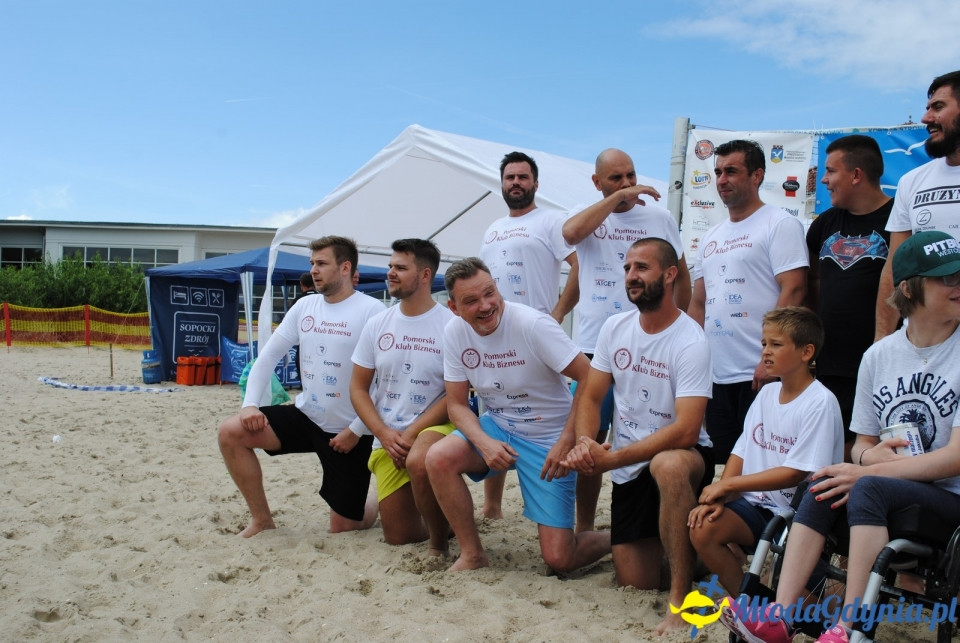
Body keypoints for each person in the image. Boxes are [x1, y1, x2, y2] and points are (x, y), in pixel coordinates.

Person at [733, 230, 960, 643]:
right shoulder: (880, 355)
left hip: (949, 496)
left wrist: (879, 472)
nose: (957, 283)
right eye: (945, 277)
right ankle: (780, 619)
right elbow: (862, 446)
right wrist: (872, 462)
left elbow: (956, 458)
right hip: (895, 487)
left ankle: (851, 628)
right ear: (909, 287)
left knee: (868, 488)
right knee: (823, 481)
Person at [562, 237, 713, 634]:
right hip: (629, 463)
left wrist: (611, 459)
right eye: (628, 268)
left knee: (669, 464)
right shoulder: (615, 327)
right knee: (635, 580)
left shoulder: (690, 339)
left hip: (681, 454)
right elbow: (590, 396)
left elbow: (686, 429)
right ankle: (700, 552)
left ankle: (680, 599)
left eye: (642, 268)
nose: (631, 276)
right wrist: (585, 443)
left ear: (669, 274)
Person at [424, 258, 610, 573]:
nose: (485, 306)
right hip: (499, 426)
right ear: (454, 308)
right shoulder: (454, 332)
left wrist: (567, 440)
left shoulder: (532, 324)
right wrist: (483, 442)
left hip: (549, 436)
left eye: (489, 293)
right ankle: (472, 554)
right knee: (437, 458)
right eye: (471, 301)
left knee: (559, 559)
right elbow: (456, 404)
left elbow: (590, 378)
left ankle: (624, 538)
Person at [217, 236, 385, 537]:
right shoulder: (305, 306)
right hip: (307, 416)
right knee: (231, 432)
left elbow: (383, 384)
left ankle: (375, 501)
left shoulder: (373, 312)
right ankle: (261, 520)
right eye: (312, 263)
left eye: (321, 263)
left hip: (349, 432)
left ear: (345, 268)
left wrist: (357, 430)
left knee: (345, 528)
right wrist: (250, 405)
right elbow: (266, 357)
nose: (313, 270)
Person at [561, 148, 692, 532]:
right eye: (616, 179)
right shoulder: (585, 215)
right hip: (593, 341)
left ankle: (655, 523)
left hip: (649, 340)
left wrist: (678, 324)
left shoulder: (658, 216)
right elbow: (570, 234)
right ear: (597, 182)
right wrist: (617, 200)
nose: (627, 185)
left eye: (631, 176)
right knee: (589, 439)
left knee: (652, 429)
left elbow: (681, 273)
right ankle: (585, 526)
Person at [688, 306, 844, 596]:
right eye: (763, 344)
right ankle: (750, 604)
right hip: (755, 505)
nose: (765, 353)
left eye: (776, 345)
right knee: (702, 525)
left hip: (799, 516)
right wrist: (722, 494)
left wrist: (731, 484)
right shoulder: (767, 394)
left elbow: (795, 472)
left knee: (806, 610)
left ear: (806, 352)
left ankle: (780, 608)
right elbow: (742, 450)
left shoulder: (820, 402)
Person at [688, 139, 808, 465]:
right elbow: (698, 304)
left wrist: (770, 360)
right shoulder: (711, 237)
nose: (722, 180)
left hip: (761, 374)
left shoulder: (779, 224)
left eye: (731, 171)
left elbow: (794, 291)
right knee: (727, 464)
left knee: (762, 466)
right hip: (716, 376)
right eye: (717, 172)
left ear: (757, 176)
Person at [478, 151, 580, 520]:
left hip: (537, 337)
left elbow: (579, 268)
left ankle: (556, 500)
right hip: (492, 336)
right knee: (495, 409)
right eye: (510, 178)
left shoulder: (552, 221)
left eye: (523, 177)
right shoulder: (492, 228)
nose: (516, 183)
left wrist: (556, 314)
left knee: (548, 411)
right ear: (502, 183)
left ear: (535, 183)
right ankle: (492, 506)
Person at [348, 239, 456, 554]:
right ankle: (434, 510)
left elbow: (455, 396)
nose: (391, 273)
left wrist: (411, 432)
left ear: (424, 275)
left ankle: (443, 531)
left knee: (421, 458)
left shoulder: (451, 327)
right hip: (389, 437)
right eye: (390, 267)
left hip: (436, 430)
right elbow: (357, 388)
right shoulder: (377, 324)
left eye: (400, 268)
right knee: (400, 537)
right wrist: (383, 433)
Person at [806, 135, 893, 457]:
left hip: (879, 362)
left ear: (856, 175)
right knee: (830, 451)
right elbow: (811, 278)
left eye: (831, 171)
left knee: (871, 451)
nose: (825, 180)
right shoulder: (825, 223)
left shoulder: (897, 220)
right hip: (829, 362)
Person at [877, 70, 960, 339]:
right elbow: (894, 267)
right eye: (927, 109)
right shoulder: (912, 181)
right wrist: (882, 341)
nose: (926, 118)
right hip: (920, 343)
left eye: (938, 107)